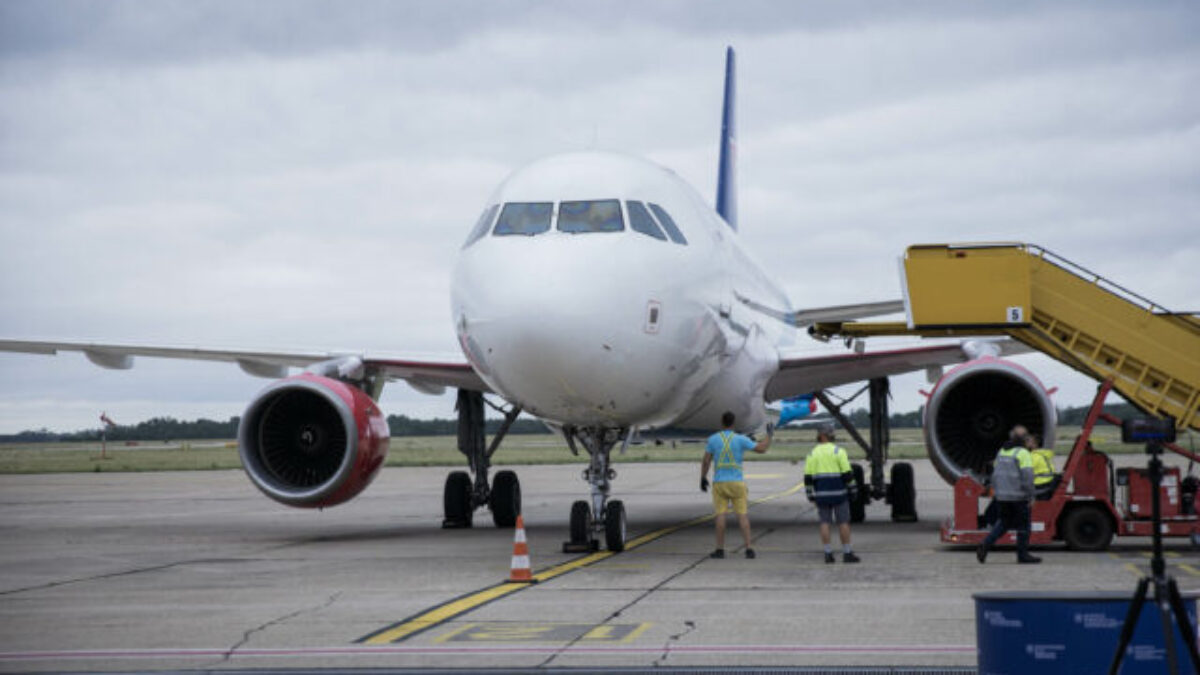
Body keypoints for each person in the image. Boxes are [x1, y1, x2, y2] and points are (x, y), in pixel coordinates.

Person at [701, 411, 772, 559]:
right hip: (737, 482)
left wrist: (703, 477)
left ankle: (720, 549)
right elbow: (762, 449)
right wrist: (769, 435)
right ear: (734, 423)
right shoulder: (741, 439)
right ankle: (749, 548)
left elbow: (706, 460)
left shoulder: (713, 439)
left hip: (720, 483)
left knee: (721, 515)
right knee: (742, 516)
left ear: (722, 422)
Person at [977, 425, 1041, 564]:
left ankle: (985, 544)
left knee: (1003, 523)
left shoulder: (1002, 451)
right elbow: (1027, 477)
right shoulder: (1023, 453)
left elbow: (995, 474)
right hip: (1019, 497)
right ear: (1023, 439)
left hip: (1002, 497)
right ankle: (1022, 555)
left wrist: (997, 492)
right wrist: (1031, 495)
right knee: (1024, 526)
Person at [804, 423, 860, 564]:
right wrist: (853, 490)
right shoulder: (838, 451)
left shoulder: (812, 453)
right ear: (830, 435)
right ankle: (847, 552)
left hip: (822, 494)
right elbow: (847, 474)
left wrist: (810, 494)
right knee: (843, 522)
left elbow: (808, 478)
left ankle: (828, 554)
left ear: (820, 435)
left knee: (824, 522)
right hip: (839, 493)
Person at [1028, 434, 1060, 499]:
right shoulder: (1044, 454)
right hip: (1049, 482)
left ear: (1035, 445)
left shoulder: (1033, 456)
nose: (1026, 442)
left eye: (1029, 441)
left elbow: (1025, 472)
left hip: (1040, 484)